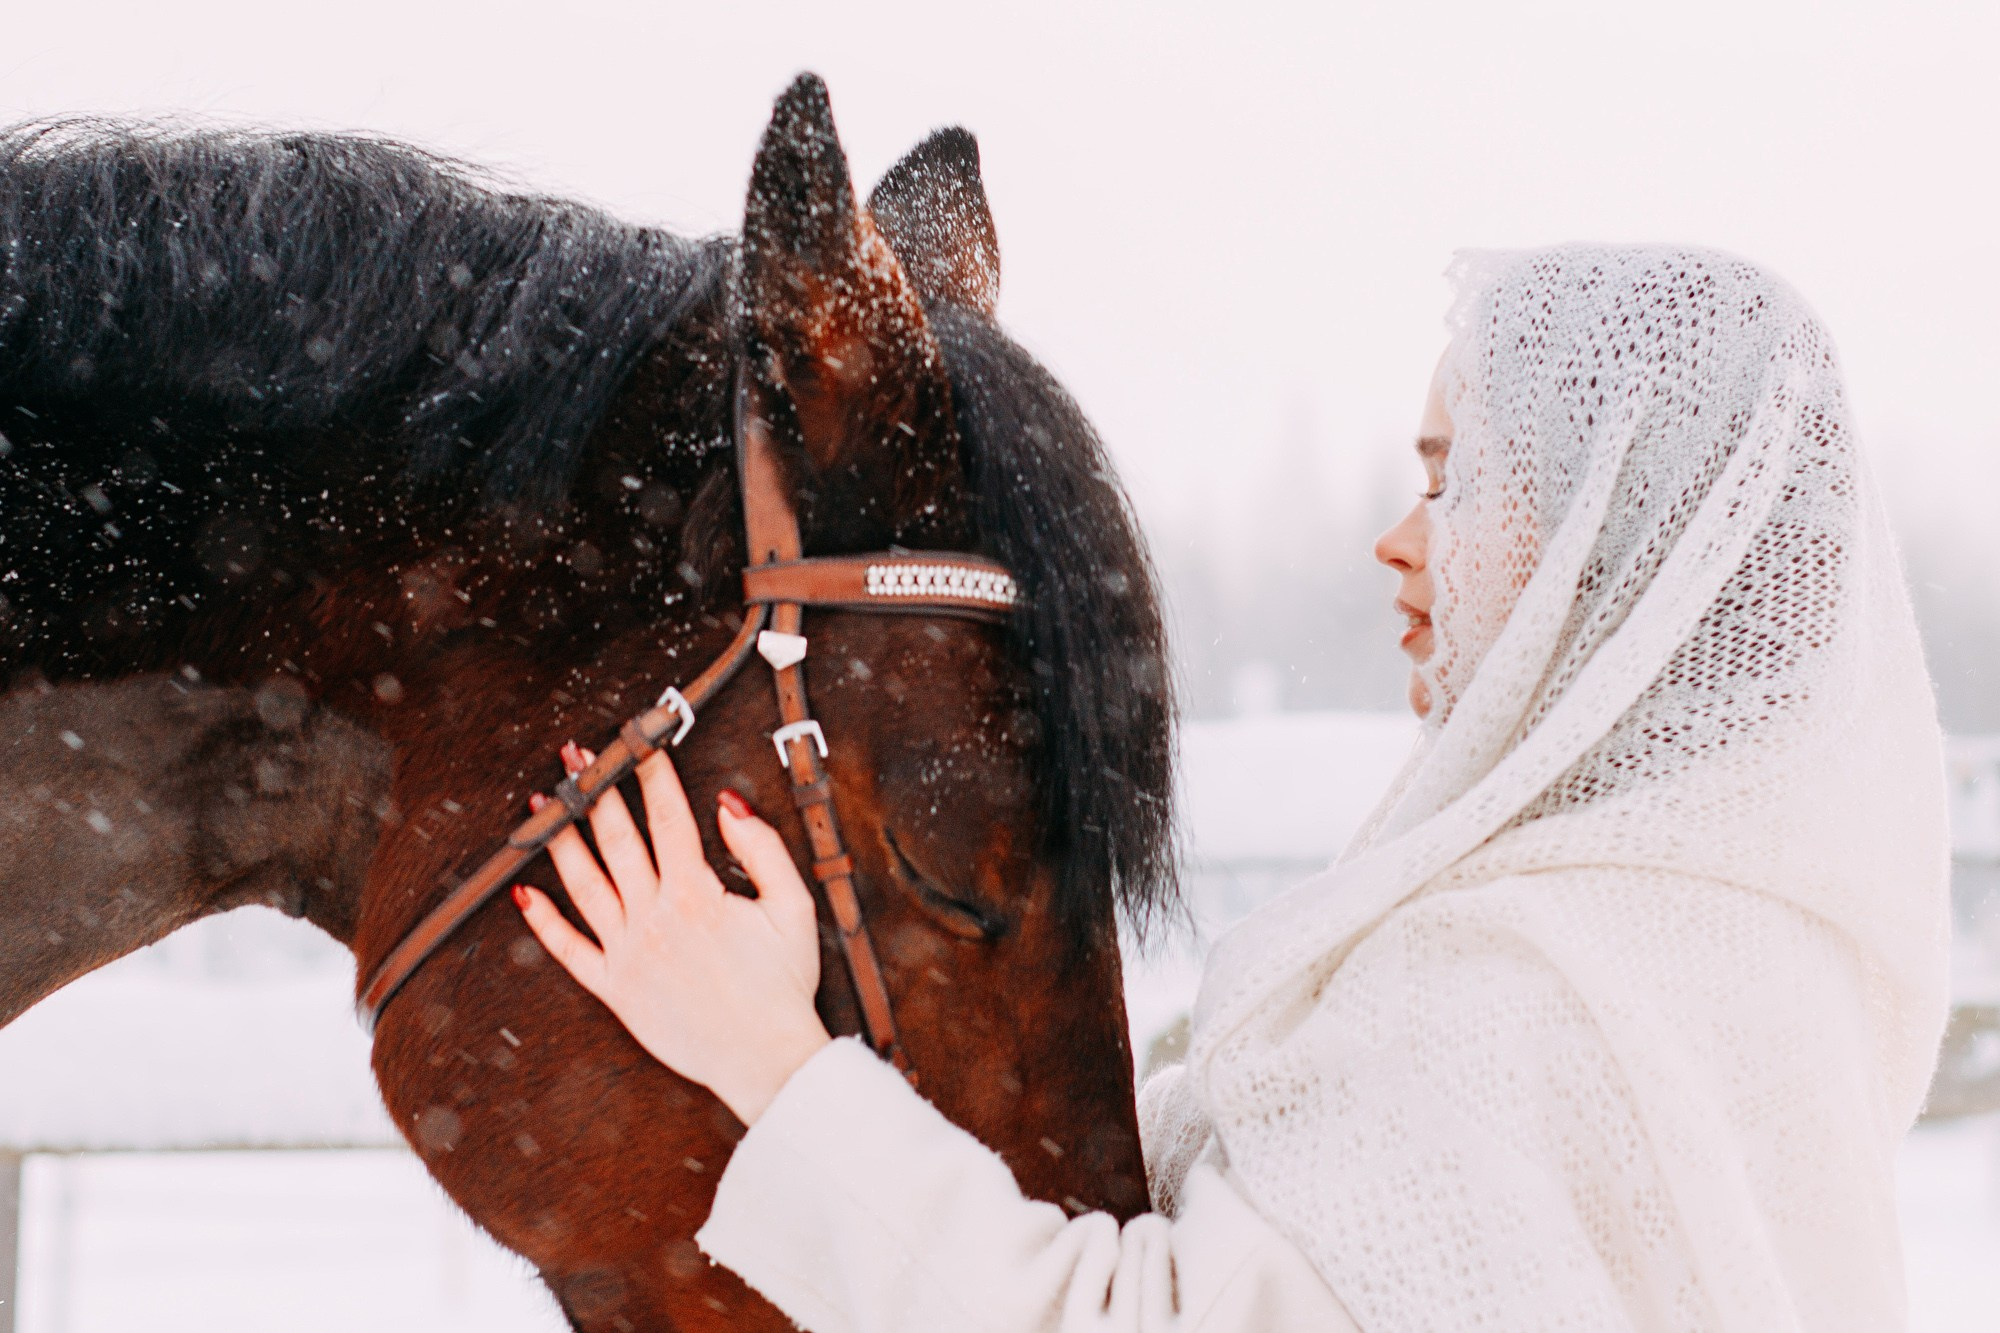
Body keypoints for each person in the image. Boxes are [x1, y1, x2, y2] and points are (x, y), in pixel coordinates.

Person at [513, 244, 1951, 1331]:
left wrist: (765, 1055)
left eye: (1455, 480)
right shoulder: (1741, 947)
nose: (1398, 539)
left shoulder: (1512, 991)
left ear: (1609, 532)